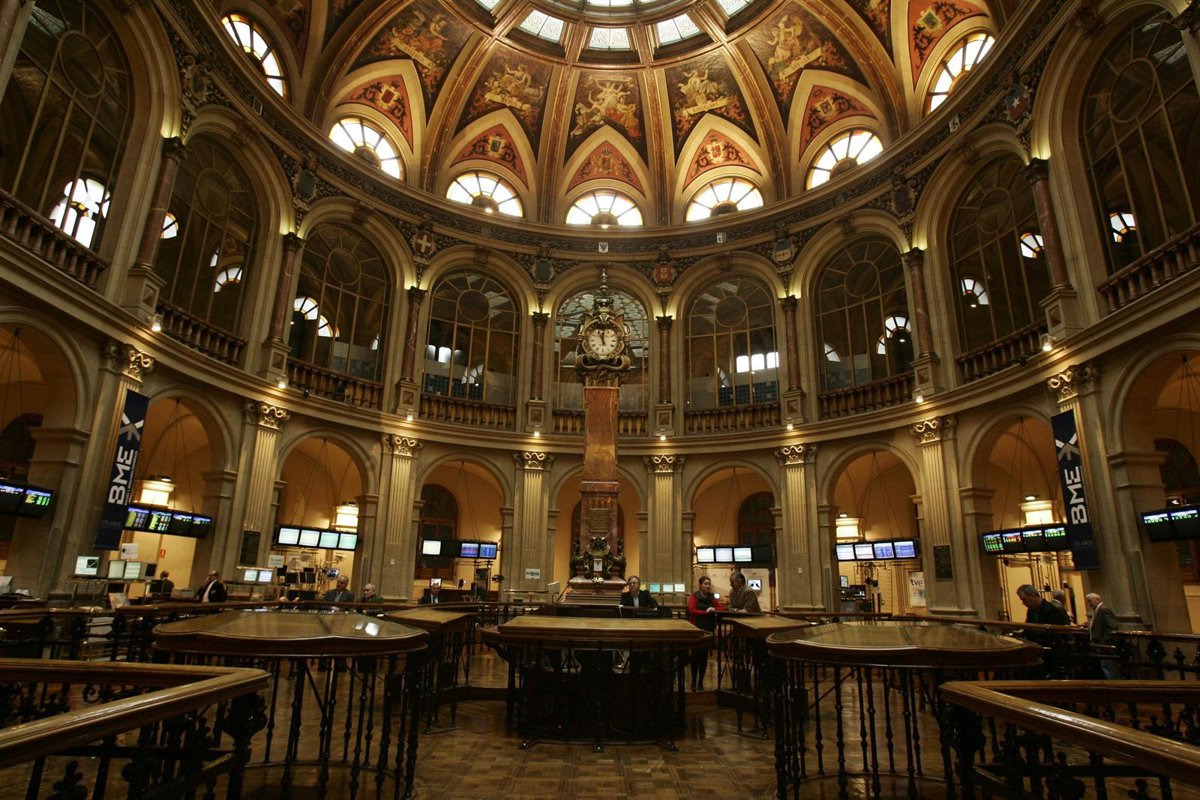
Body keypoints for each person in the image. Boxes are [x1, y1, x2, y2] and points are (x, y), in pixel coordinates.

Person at [686, 575, 726, 691]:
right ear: (700, 585)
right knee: (695, 657)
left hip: (708, 630)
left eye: (709, 584)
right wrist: (706, 612)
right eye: (705, 584)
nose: (708, 586)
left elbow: (722, 608)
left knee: (703, 658)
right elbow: (691, 610)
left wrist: (714, 609)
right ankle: (693, 681)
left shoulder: (712, 597)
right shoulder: (694, 596)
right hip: (697, 629)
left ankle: (700, 682)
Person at [1086, 592, 1120, 679]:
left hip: (1105, 645)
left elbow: (1112, 626)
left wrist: (1104, 641)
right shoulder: (1097, 611)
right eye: (1088, 602)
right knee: (1104, 667)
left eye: (1090, 601)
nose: (1089, 604)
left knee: (1108, 668)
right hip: (1100, 644)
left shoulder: (1104, 610)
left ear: (1097, 600)